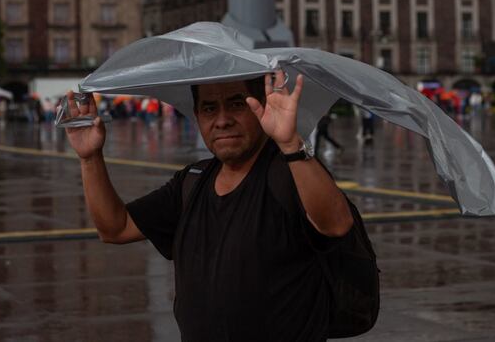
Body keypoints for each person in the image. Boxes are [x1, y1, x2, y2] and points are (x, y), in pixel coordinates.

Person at [64, 72, 355, 341]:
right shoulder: (192, 181)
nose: (222, 120)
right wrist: (90, 158)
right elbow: (115, 228)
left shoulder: (289, 173)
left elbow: (337, 223)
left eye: (237, 104)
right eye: (209, 108)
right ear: (197, 116)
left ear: (262, 108)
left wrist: (291, 144)